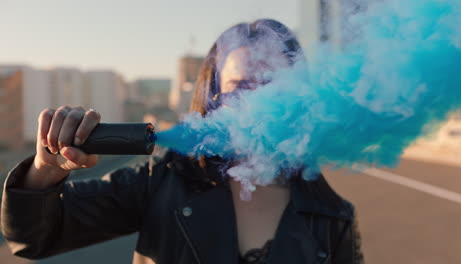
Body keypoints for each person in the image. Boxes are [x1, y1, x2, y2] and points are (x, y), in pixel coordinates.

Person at [1, 19, 364, 264]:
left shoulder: (333, 215)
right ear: (216, 98)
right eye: (241, 88)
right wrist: (45, 170)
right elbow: (34, 236)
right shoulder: (162, 180)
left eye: (272, 87)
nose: (257, 103)